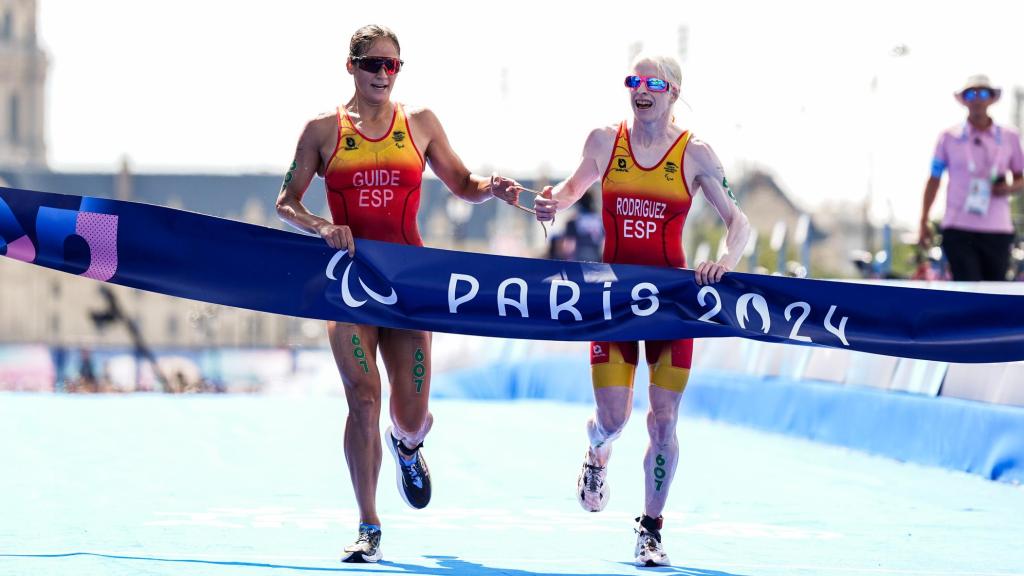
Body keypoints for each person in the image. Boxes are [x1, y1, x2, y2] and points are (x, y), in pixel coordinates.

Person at [274, 24, 518, 563]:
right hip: (348, 286)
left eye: (394, 65)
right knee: (362, 396)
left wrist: (492, 188)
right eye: (374, 64)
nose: (384, 74)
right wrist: (320, 226)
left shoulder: (420, 124)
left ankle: (407, 444)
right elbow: (285, 201)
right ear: (351, 66)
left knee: (408, 414)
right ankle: (369, 524)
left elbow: (463, 184)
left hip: (407, 286)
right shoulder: (321, 130)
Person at [499, 54, 750, 566]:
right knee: (614, 417)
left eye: (653, 82)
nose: (641, 89)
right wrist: (549, 203)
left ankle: (651, 528)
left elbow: (738, 222)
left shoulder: (695, 153)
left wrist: (725, 261)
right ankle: (597, 449)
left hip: (671, 303)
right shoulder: (602, 141)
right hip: (613, 298)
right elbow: (571, 191)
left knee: (663, 420)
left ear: (673, 92)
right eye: (634, 80)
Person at [919, 74, 1024, 281]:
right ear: (964, 99)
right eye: (971, 93)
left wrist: (1007, 188)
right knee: (967, 288)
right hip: (958, 228)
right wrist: (923, 219)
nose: (977, 98)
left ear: (992, 99)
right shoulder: (948, 137)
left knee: (994, 294)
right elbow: (934, 178)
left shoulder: (1010, 136)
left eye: (983, 93)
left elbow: (1021, 178)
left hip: (997, 230)